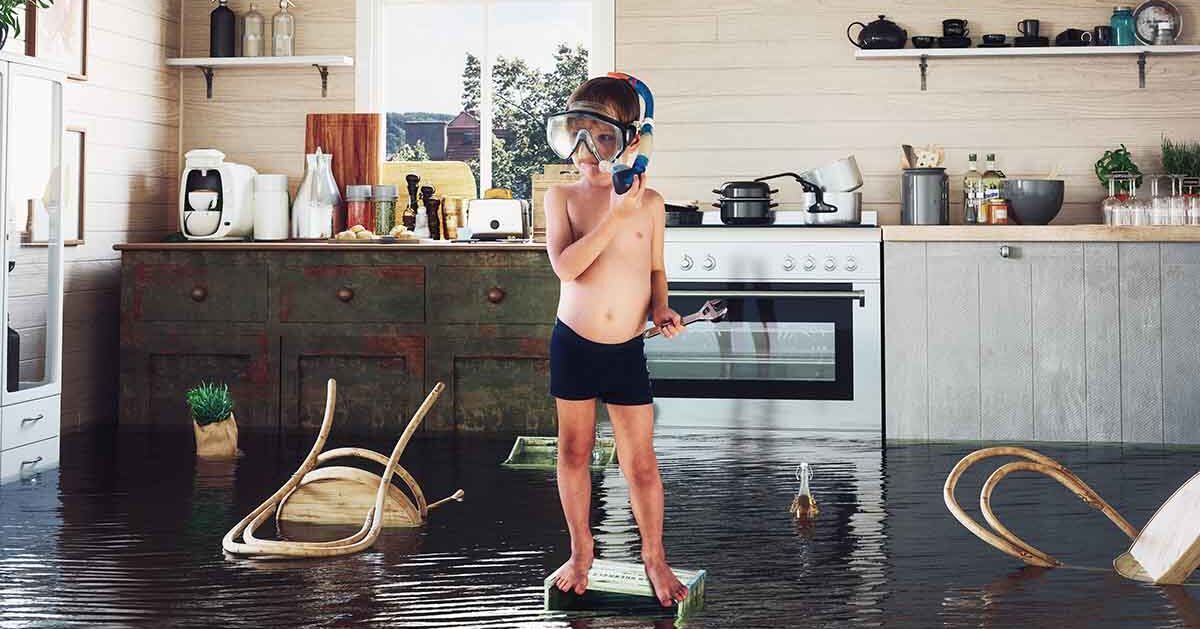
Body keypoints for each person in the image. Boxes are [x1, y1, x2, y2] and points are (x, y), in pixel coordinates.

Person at [542, 75, 689, 608]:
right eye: (574, 135)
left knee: (641, 462)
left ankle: (654, 556)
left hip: (626, 349)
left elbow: (655, 270)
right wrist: (614, 215)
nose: (584, 150)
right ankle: (582, 548)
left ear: (632, 140)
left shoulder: (651, 204)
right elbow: (567, 268)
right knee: (575, 451)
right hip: (574, 345)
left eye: (600, 138)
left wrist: (662, 308)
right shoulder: (562, 197)